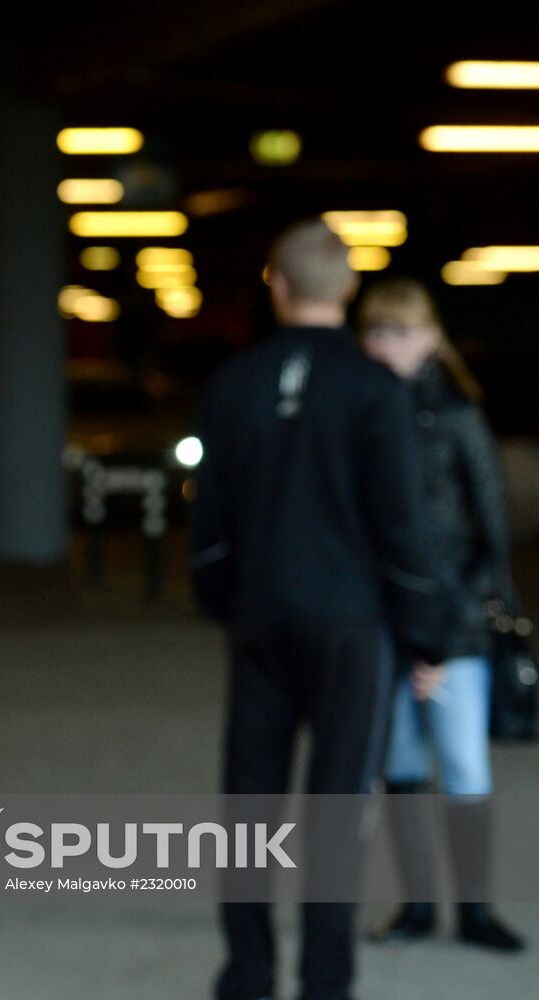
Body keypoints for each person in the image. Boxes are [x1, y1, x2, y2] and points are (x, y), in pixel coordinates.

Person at [189, 218, 453, 1000]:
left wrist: (223, 601)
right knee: (339, 811)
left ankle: (247, 975)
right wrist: (426, 637)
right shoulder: (377, 389)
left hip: (261, 616)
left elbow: (211, 521)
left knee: (248, 806)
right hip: (350, 625)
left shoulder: (233, 384)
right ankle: (325, 983)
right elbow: (402, 523)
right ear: (348, 289)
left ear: (276, 285)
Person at [356, 277, 525, 952]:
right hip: (384, 624)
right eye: (374, 331)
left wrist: (443, 639)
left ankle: (476, 911)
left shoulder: (457, 416)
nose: (385, 344)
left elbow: (492, 535)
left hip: (453, 629)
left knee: (462, 764)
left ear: (430, 337)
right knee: (399, 764)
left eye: (398, 330)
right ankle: (418, 906)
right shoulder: (361, 417)